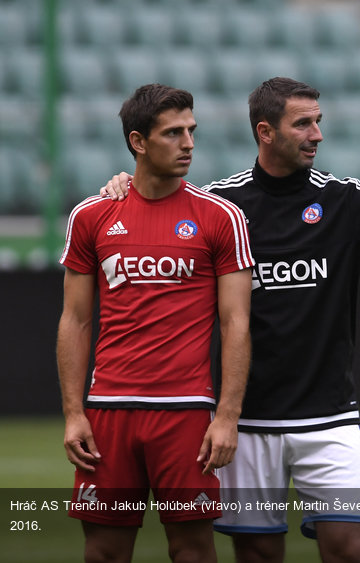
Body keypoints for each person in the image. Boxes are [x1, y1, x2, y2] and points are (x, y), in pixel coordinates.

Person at [103, 76, 360, 563]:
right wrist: (123, 186)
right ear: (266, 131)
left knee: (350, 549)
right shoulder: (221, 206)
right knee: (258, 555)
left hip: (329, 418)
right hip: (246, 421)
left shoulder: (345, 200)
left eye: (318, 122)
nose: (317, 134)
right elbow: (159, 214)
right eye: (303, 124)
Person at [58, 83, 255, 562]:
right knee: (103, 549)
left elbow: (236, 324)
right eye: (173, 133)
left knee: (191, 548)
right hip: (109, 410)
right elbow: (76, 320)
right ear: (138, 142)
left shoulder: (221, 217)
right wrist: (73, 412)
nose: (188, 143)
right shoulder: (92, 215)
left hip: (186, 411)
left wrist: (226, 418)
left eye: (191, 131)